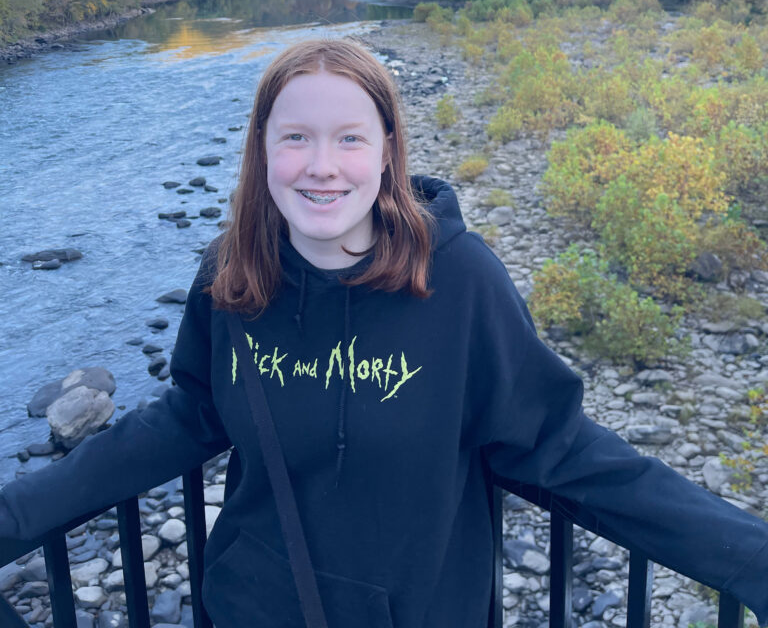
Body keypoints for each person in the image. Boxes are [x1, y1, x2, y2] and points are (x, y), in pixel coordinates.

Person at [1, 37, 767, 628]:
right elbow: (187, 416)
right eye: (295, 137)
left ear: (388, 149)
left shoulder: (459, 282)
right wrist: (16, 518)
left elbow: (561, 448)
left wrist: (748, 557)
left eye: (349, 138)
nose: (322, 167)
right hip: (251, 609)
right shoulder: (230, 276)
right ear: (262, 149)